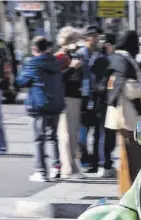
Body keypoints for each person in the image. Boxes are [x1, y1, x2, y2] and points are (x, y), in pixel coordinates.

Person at [104, 30, 141, 195]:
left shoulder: (119, 58)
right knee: (130, 155)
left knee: (127, 154)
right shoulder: (123, 60)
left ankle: (128, 189)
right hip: (127, 116)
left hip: (125, 115)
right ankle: (128, 190)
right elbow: (129, 88)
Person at [16, 36, 65, 182]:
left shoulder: (33, 63)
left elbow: (21, 81)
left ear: (34, 49)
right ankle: (56, 167)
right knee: (53, 137)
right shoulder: (55, 61)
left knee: (39, 138)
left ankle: (41, 171)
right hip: (56, 104)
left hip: (40, 104)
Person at [79, 26, 116, 177]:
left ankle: (95, 162)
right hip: (101, 100)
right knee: (102, 134)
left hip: (96, 99)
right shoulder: (102, 58)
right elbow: (98, 82)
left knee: (97, 134)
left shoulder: (98, 57)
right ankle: (101, 163)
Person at [55, 26, 85, 179]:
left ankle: (73, 164)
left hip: (75, 96)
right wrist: (72, 68)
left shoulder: (72, 55)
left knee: (73, 133)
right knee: (66, 133)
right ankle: (68, 167)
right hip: (66, 97)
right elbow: (58, 78)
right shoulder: (60, 57)